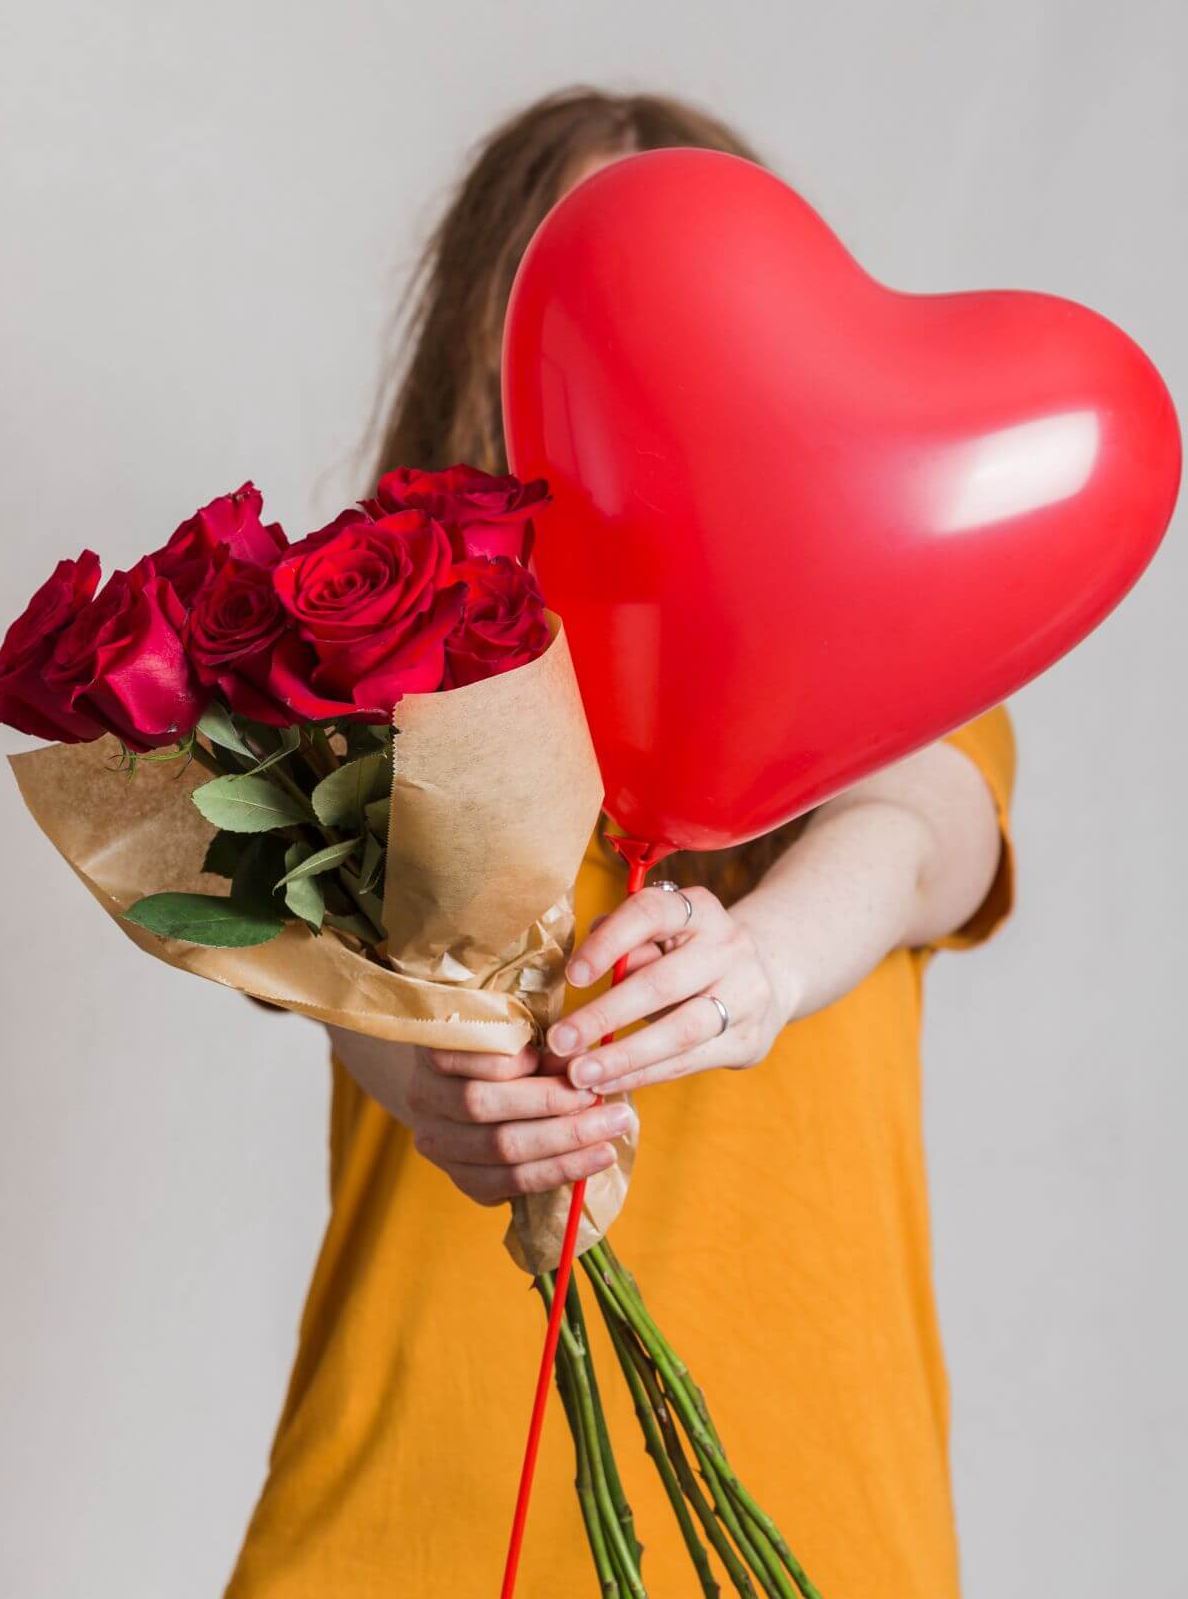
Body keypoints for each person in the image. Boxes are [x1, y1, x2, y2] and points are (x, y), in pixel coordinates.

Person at [225, 88, 1015, 1599]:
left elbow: (928, 834)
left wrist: (766, 964)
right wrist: (437, 1088)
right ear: (491, 339)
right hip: (408, 1517)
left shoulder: (897, 652)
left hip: (805, 1506)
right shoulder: (368, 666)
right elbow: (320, 973)